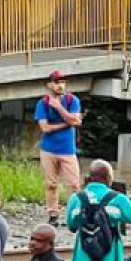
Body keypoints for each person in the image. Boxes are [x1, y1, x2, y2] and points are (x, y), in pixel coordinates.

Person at [36, 71, 84, 224]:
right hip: (48, 149)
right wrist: (67, 123)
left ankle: (77, 212)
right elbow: (45, 128)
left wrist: (59, 108)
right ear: (49, 85)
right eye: (57, 82)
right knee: (51, 183)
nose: (60, 86)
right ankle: (53, 214)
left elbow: (75, 120)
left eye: (63, 82)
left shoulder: (72, 100)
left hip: (68, 150)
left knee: (75, 184)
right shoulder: (42, 103)